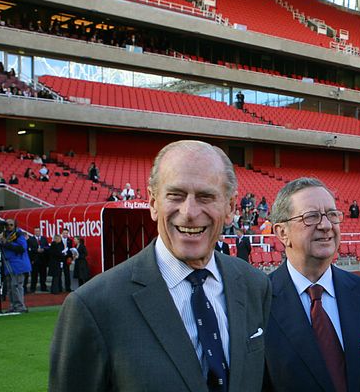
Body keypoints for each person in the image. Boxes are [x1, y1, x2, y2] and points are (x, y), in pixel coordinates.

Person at [49, 140, 272, 392]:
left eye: (206, 196)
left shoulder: (255, 285)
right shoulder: (93, 306)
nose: (189, 211)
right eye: (175, 195)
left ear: (230, 207)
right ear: (153, 203)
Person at [264, 177, 360, 391]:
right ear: (282, 232)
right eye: (311, 217)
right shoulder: (258, 301)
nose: (326, 225)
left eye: (332, 215)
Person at [0, 219, 30, 313]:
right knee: (10, 287)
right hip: (9, 264)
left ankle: (20, 306)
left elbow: (21, 248)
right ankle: (13, 305)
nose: (9, 226)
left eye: (11, 225)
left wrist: (6, 243)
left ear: (15, 226)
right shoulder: (6, 235)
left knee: (16, 286)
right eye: (7, 225)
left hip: (18, 265)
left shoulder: (18, 235)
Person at [28, 228, 50, 293]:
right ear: (34, 232)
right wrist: (36, 250)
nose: (37, 232)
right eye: (36, 231)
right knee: (34, 275)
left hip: (43, 260)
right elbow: (29, 249)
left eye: (38, 231)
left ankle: (43, 287)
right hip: (35, 260)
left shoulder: (44, 239)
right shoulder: (31, 239)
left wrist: (44, 249)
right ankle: (33, 288)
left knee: (43, 275)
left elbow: (47, 247)